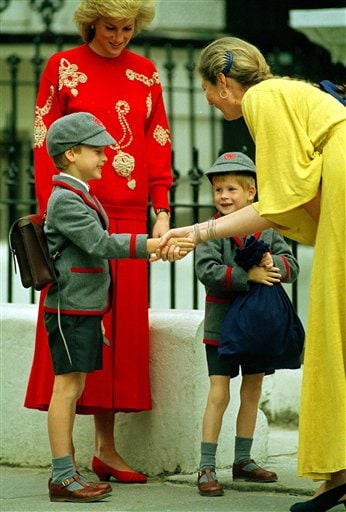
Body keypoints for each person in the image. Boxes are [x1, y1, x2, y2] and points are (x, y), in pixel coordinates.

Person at [159, 37, 346, 511]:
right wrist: (200, 232)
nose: (206, 99)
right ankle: (337, 474)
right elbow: (288, 201)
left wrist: (197, 232)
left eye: (206, 89)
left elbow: (277, 203)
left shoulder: (261, 100)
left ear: (223, 82)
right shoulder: (285, 92)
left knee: (334, 335)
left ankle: (338, 474)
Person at [25, 0, 173, 483]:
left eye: (128, 28)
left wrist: (162, 209)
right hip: (77, 218)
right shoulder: (61, 67)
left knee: (119, 338)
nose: (119, 37)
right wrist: (53, 212)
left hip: (129, 215)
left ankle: (107, 450)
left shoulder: (147, 73)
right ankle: (68, 460)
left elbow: (158, 140)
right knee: (80, 326)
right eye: (111, 27)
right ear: (92, 22)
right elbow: (44, 138)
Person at [43, 112, 191, 502]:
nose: (106, 157)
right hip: (71, 310)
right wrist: (153, 246)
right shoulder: (66, 200)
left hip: (83, 308)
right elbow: (100, 243)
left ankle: (67, 473)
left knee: (73, 387)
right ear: (71, 154)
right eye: (96, 150)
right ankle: (62, 475)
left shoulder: (78, 194)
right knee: (67, 388)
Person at [195, 151, 300, 497]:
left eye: (231, 190)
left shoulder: (268, 227)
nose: (223, 196)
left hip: (258, 327)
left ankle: (243, 459)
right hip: (221, 326)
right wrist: (246, 275)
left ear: (252, 192)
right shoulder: (209, 231)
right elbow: (206, 271)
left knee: (252, 391)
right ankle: (206, 465)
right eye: (218, 190)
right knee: (219, 393)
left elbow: (291, 266)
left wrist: (273, 267)